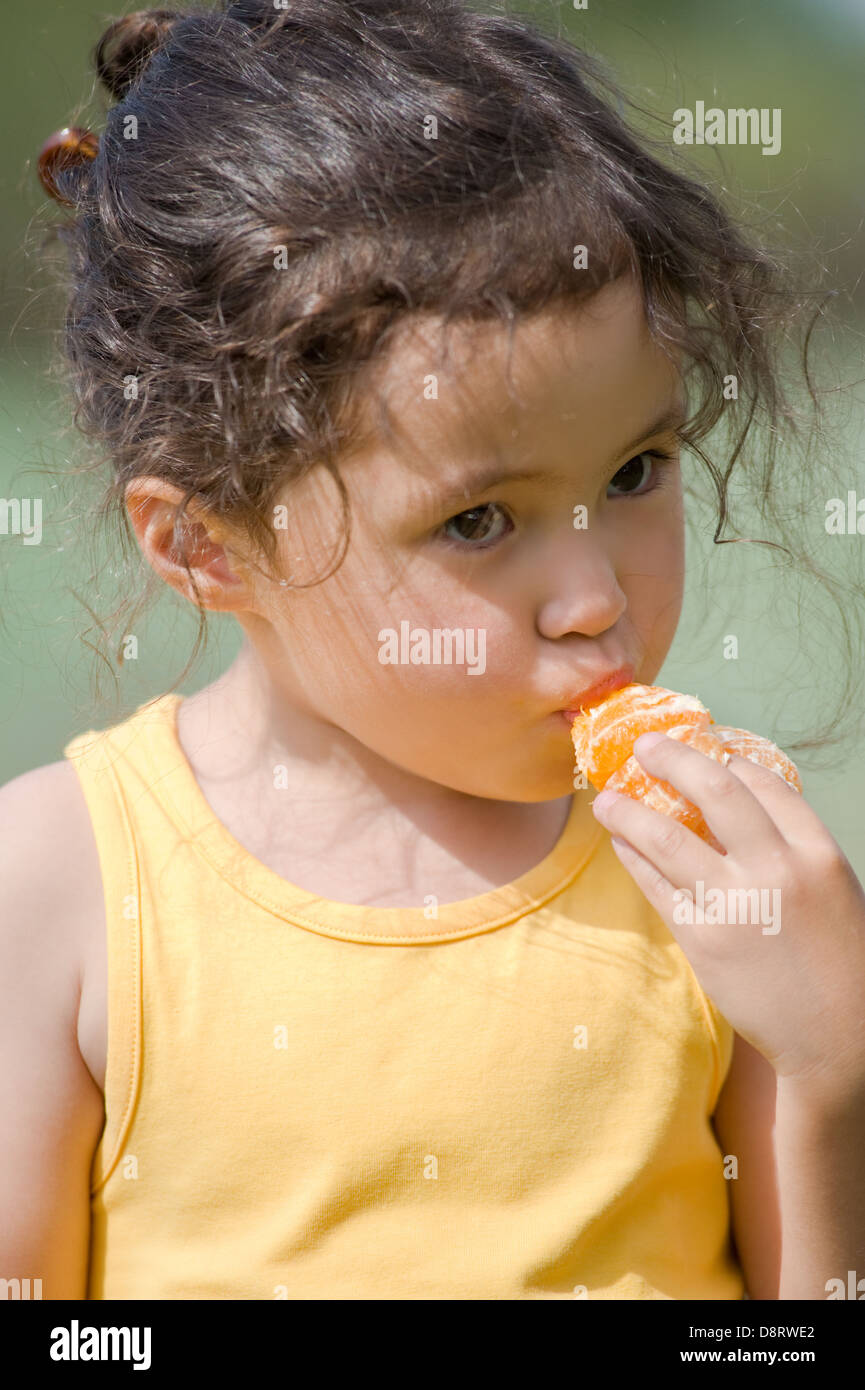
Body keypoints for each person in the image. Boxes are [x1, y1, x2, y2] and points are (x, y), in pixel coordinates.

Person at [3, 0, 864, 1300]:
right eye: (477, 518)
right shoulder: (60, 886)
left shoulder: (719, 875)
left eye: (633, 468)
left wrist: (828, 1070)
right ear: (206, 548)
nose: (591, 597)